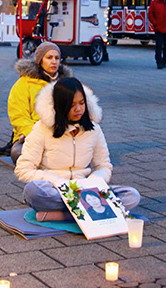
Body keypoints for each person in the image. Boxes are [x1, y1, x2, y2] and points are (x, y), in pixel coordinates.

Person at [13, 77, 140, 222]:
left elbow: (103, 166)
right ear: (60, 106)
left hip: (85, 191)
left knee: (131, 196)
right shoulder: (42, 129)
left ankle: (60, 215)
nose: (78, 109)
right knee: (33, 192)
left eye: (81, 103)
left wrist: (93, 182)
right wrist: (57, 181)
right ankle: (93, 211)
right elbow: (23, 170)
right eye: (72, 105)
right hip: (55, 190)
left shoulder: (94, 130)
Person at [0, 41, 71, 161]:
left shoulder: (66, 84)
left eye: (57, 58)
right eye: (49, 58)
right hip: (31, 135)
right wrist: (37, 135)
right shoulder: (24, 84)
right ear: (40, 60)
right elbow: (18, 117)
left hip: (60, 135)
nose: (54, 62)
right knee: (20, 153)